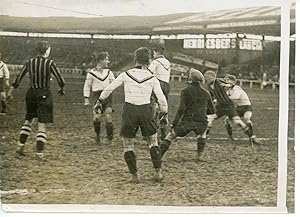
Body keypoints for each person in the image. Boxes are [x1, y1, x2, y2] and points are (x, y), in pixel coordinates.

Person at [93, 47, 168, 183]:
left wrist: (99, 102)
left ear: (135, 59)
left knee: (128, 145)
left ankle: (135, 176)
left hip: (130, 111)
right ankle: (158, 173)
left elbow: (109, 88)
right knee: (153, 142)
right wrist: (164, 113)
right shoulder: (152, 78)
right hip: (146, 110)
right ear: (149, 61)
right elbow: (161, 98)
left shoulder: (125, 75)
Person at [12, 41, 65, 158]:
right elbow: (60, 79)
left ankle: (20, 146)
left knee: (28, 120)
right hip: (44, 94)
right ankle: (39, 153)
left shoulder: (29, 62)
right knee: (41, 124)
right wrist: (61, 88)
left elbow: (18, 78)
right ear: (46, 50)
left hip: (30, 93)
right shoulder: (50, 63)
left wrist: (14, 87)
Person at [159, 68, 215, 162]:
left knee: (170, 136)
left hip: (187, 121)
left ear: (190, 80)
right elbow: (212, 110)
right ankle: (199, 156)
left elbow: (181, 109)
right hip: (201, 122)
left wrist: (174, 124)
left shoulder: (185, 91)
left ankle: (159, 155)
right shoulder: (206, 93)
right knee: (202, 134)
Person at [203, 70, 259, 145]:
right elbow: (212, 96)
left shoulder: (218, 81)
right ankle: (205, 136)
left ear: (212, 77)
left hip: (228, 105)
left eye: (208, 77)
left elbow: (229, 84)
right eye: (206, 77)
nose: (206, 79)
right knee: (209, 118)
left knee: (237, 121)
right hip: (220, 106)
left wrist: (227, 85)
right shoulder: (209, 86)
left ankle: (252, 137)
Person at [83, 52, 115, 144]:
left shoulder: (109, 72)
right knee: (97, 117)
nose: (108, 61)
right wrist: (86, 98)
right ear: (101, 60)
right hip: (97, 97)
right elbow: (87, 86)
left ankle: (110, 139)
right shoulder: (91, 73)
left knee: (108, 116)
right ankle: (97, 136)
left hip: (107, 96)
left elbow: (114, 83)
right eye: (106, 59)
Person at [223, 74, 258, 142]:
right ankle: (230, 137)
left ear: (232, 81)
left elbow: (236, 97)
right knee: (227, 120)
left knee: (247, 119)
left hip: (246, 107)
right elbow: (224, 98)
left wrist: (225, 99)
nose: (225, 82)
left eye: (227, 80)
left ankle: (252, 136)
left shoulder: (236, 88)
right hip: (239, 108)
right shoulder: (229, 90)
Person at [148, 44, 171, 140]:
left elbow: (148, 72)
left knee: (153, 108)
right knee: (163, 107)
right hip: (166, 85)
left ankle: (151, 133)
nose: (153, 54)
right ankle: (164, 132)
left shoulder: (155, 62)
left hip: (158, 84)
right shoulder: (167, 62)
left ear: (157, 52)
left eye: (154, 52)